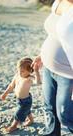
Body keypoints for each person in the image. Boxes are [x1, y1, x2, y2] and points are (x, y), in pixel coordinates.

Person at [32, 0, 73, 135]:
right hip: (48, 68)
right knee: (49, 108)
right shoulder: (59, 2)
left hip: (68, 74)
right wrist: (42, 54)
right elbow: (53, 33)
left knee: (65, 115)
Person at [0, 57, 40, 133]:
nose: (20, 73)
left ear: (29, 71)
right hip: (19, 99)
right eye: (18, 70)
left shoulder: (29, 78)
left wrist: (37, 72)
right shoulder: (17, 75)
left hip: (26, 100)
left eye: (22, 71)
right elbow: (11, 86)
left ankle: (13, 126)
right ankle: (31, 120)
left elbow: (38, 83)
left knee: (19, 113)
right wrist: (5, 93)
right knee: (26, 111)